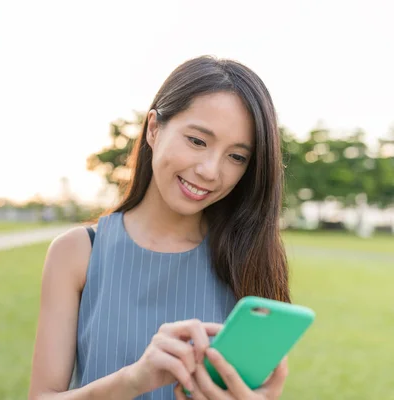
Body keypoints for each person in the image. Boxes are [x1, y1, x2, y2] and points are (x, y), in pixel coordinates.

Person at [28, 56, 291, 400]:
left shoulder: (251, 259)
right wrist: (134, 380)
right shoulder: (77, 252)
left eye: (237, 157)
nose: (211, 171)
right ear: (154, 128)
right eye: (198, 141)